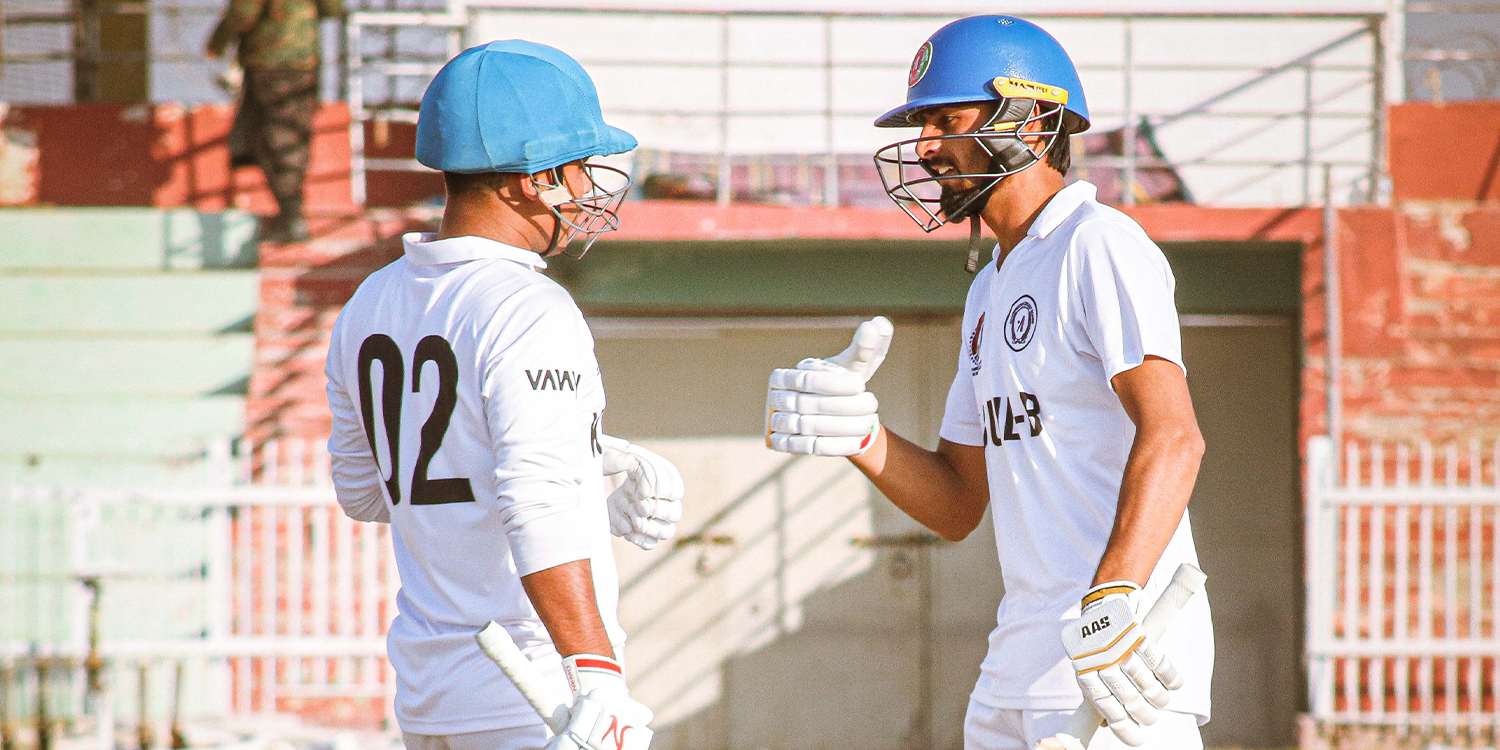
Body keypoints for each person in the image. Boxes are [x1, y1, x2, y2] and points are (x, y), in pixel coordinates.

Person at [764, 15, 1214, 750]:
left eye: (946, 119)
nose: (927, 146)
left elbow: (1176, 438)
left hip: (1121, 667)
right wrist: (862, 435)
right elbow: (957, 502)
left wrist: (1111, 598)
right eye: (922, 125)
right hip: (1018, 666)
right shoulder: (991, 286)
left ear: (1031, 120)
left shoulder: (1099, 243)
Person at [323, 40, 683, 750]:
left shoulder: (370, 301)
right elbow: (537, 505)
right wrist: (598, 678)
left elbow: (366, 494)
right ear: (528, 181)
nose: (587, 190)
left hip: (429, 698)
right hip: (534, 696)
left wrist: (587, 490)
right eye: (576, 169)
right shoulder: (528, 306)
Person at [206, 0, 341, 242]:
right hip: (303, 63)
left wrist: (219, 41)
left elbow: (244, 12)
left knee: (276, 139)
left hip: (270, 62)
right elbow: (332, 9)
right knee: (279, 138)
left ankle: (292, 218)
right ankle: (290, 216)